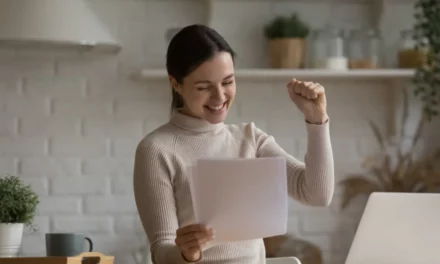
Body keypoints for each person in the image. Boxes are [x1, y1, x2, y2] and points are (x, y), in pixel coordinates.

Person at [133, 24, 334, 264]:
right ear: (176, 83)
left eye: (228, 82)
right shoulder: (157, 149)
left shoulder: (250, 139)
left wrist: (316, 120)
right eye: (204, 87)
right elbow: (161, 252)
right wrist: (187, 254)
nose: (220, 97)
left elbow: (317, 194)